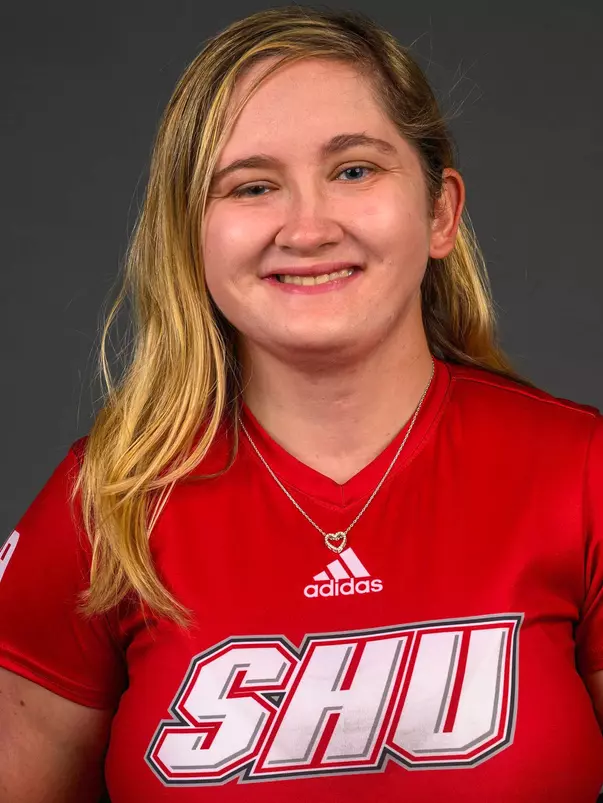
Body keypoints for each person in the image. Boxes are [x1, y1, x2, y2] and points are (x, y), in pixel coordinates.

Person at [1, 5, 602, 802]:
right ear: (193, 237)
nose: (307, 227)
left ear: (439, 212)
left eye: (353, 169)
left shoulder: (579, 473)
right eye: (252, 185)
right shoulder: (104, 503)